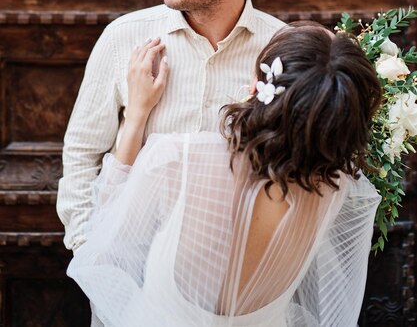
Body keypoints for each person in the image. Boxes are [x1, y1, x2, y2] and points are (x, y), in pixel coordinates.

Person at [67, 22, 382, 327]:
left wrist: (136, 116)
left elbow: (106, 236)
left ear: (258, 85)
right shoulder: (333, 188)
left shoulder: (179, 160)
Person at [57, 0, 286, 252]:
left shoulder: (283, 51)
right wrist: (91, 250)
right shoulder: (124, 37)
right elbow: (82, 154)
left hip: (237, 289)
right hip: (130, 279)